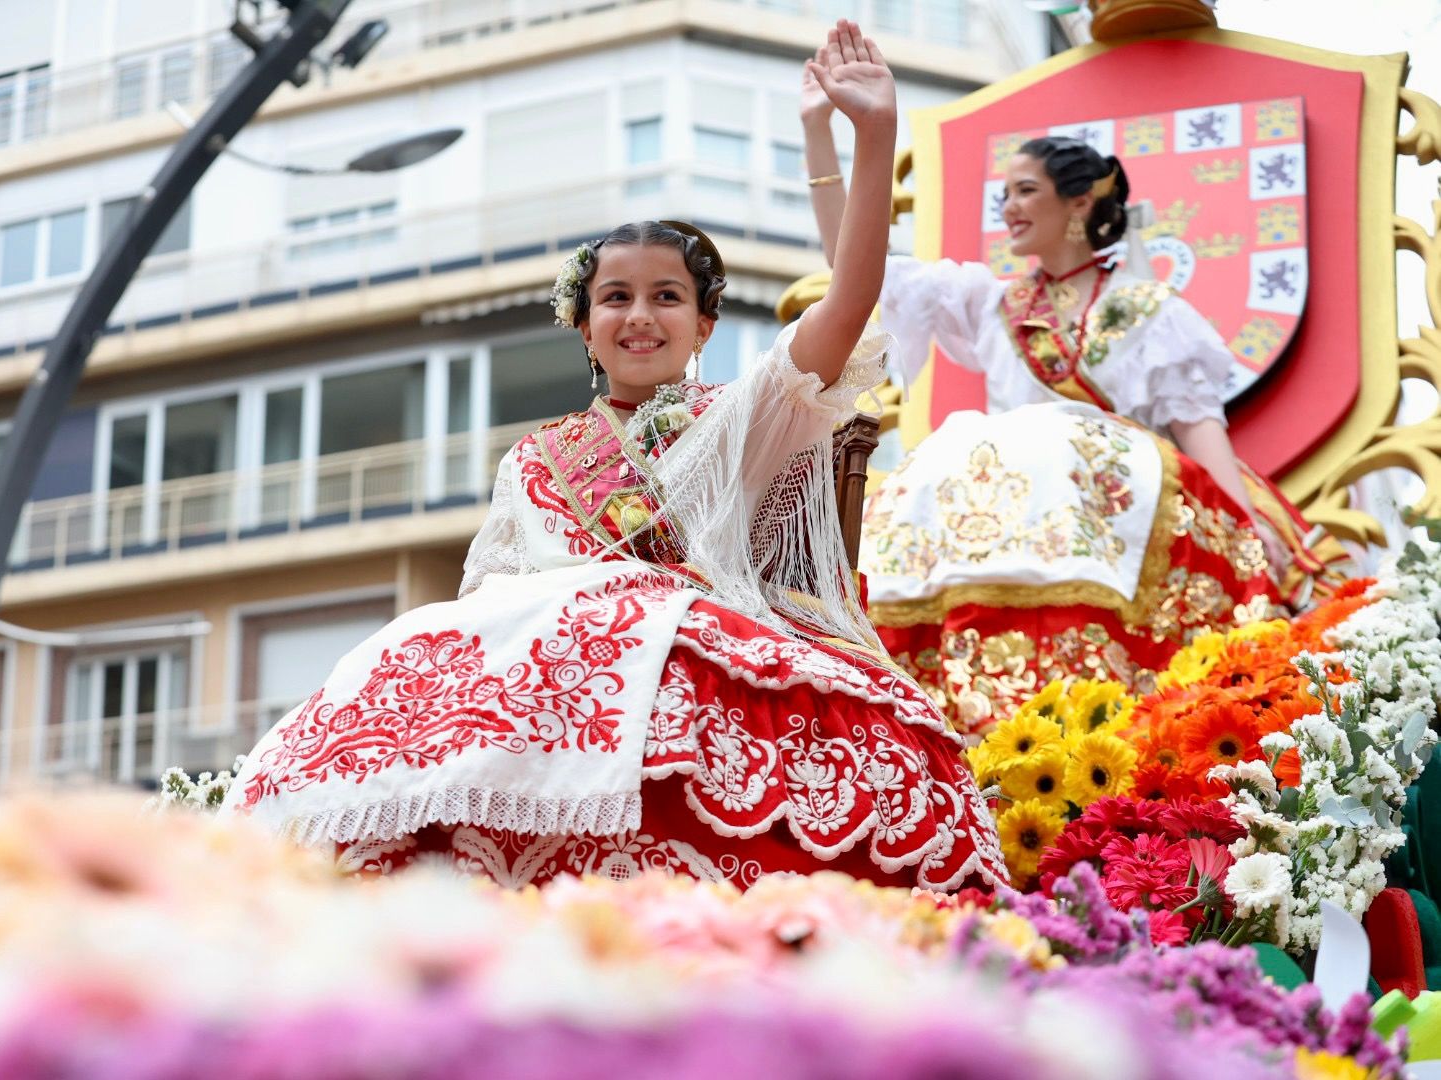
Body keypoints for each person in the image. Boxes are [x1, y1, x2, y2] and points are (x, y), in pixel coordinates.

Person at [221, 22, 1006, 893]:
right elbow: (491, 605)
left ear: (705, 325)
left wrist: (865, 139)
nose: (641, 316)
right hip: (537, 702)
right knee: (409, 654)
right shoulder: (534, 458)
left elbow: (853, 302)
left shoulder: (740, 417)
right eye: (616, 298)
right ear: (585, 327)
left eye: (668, 297)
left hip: (692, 675)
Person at [800, 84, 1345, 736]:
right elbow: (859, 270)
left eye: (1025, 190)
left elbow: (1200, 429)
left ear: (1081, 200)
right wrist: (819, 133)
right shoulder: (990, 304)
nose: (1008, 206)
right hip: (1012, 505)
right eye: (1004, 194)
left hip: (1117, 504)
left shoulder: (1151, 312)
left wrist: (1247, 533)